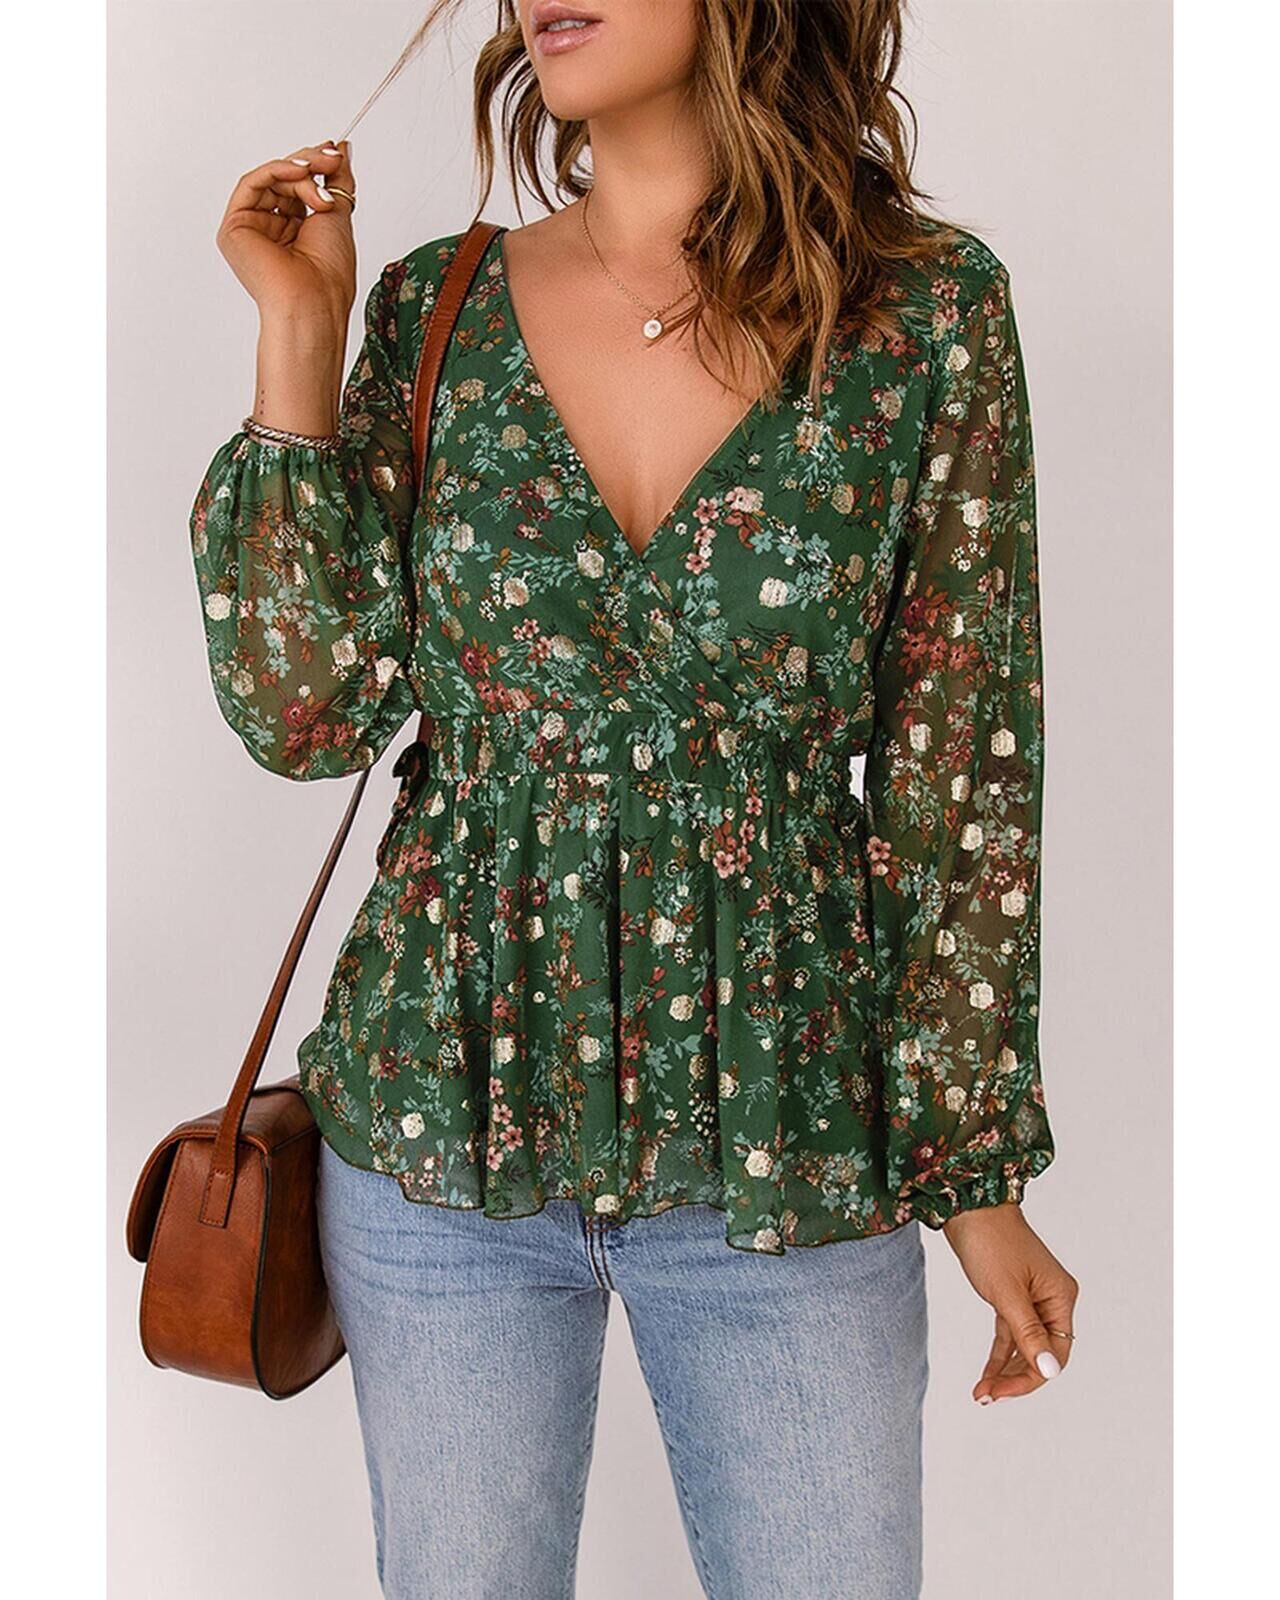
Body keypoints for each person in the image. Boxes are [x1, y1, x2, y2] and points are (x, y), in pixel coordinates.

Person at [190, 2, 1078, 1594]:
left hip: (788, 1137)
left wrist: (974, 1176)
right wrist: (300, 344)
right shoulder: (436, 307)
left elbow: (964, 770)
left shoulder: (926, 316)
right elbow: (306, 714)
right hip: (440, 1123)